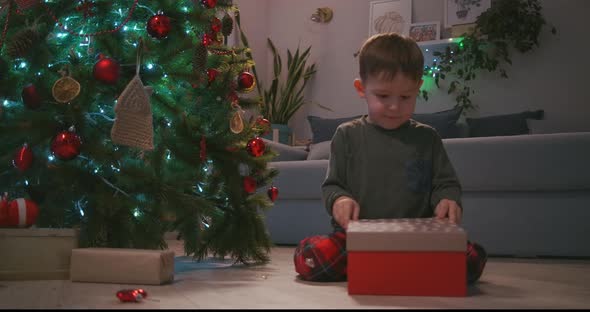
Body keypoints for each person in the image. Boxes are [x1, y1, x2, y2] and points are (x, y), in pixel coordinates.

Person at [294, 32, 486, 283]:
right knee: (310, 257)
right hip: (358, 237)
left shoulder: (428, 138)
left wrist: (448, 200)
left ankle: (387, 268)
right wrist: (340, 200)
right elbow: (333, 185)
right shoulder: (347, 135)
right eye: (383, 96)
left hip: (417, 238)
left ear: (417, 89)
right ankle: (391, 268)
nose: (395, 107)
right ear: (361, 89)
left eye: (406, 97)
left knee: (472, 259)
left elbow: (445, 183)